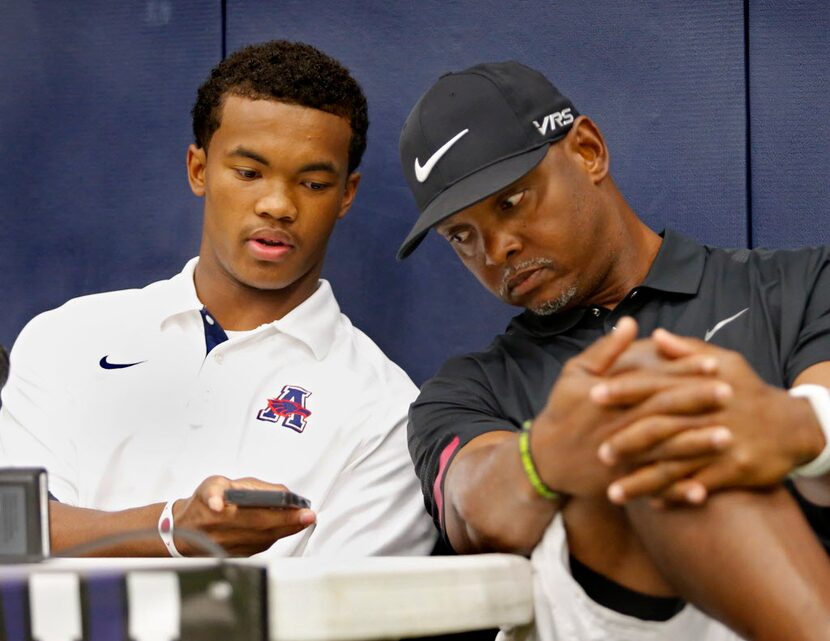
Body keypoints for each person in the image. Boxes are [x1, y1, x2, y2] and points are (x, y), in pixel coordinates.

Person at [396, 61, 830, 640]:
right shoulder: (465, 389)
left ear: (588, 151)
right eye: (462, 236)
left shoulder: (800, 283)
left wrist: (795, 428)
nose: (496, 249)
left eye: (511, 201)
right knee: (640, 437)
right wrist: (546, 456)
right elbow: (475, 511)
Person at [0, 40, 435, 559]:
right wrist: (173, 529)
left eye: (313, 183)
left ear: (346, 194)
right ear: (199, 170)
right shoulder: (66, 336)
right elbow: (13, 534)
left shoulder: (386, 411)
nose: (277, 205)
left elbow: (342, 617)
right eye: (249, 173)